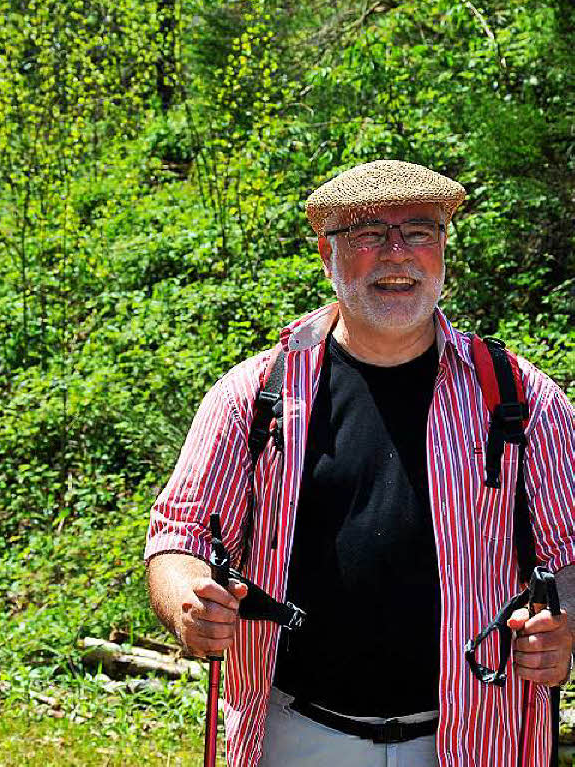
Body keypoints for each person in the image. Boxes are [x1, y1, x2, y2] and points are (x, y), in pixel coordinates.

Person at [145, 160, 575, 767]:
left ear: (444, 248)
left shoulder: (518, 396)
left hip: (484, 737)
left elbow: (569, 553)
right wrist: (188, 600)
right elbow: (176, 536)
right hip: (295, 735)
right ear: (328, 253)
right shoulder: (255, 395)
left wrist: (565, 629)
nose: (397, 255)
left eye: (419, 232)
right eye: (369, 235)